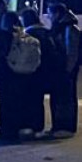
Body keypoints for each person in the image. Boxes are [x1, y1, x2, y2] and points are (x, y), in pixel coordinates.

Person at [0, 11, 40, 142]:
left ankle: (7, 131)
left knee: (5, 104)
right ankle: (20, 127)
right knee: (19, 102)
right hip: (22, 74)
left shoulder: (2, 35)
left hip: (5, 74)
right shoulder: (24, 35)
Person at [47, 3, 82, 137]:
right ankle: (58, 126)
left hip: (66, 69)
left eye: (50, 14)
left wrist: (67, 70)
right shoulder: (61, 27)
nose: (49, 17)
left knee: (66, 98)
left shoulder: (69, 28)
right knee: (59, 98)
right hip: (60, 68)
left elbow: (71, 52)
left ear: (57, 14)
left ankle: (66, 127)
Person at [27, 7, 65, 140]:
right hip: (50, 71)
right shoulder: (48, 32)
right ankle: (46, 127)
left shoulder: (29, 34)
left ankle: (36, 126)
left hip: (34, 71)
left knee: (34, 101)